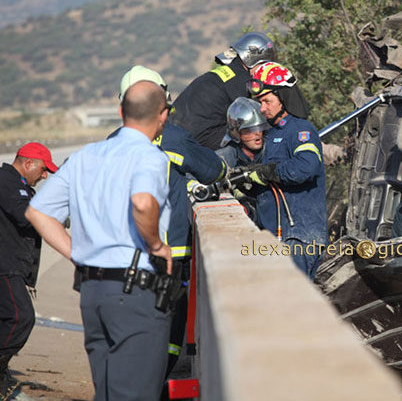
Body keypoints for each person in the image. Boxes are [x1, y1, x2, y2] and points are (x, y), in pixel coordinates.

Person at [25, 79, 173, 400]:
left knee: (105, 391)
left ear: (121, 111)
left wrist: (76, 253)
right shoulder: (150, 157)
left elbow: (38, 212)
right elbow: (143, 202)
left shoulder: (85, 156)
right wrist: (158, 246)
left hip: (92, 291)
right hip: (136, 289)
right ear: (163, 115)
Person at [117, 66, 228, 381]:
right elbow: (213, 170)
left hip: (125, 254)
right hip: (170, 251)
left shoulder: (113, 142)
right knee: (168, 328)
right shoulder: (174, 138)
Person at [243, 62, 326, 279]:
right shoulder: (272, 134)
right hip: (277, 238)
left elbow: (306, 166)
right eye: (260, 102)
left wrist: (268, 172)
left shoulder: (300, 130)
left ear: (284, 98)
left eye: (267, 101)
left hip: (297, 238)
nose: (262, 108)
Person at [0, 142, 57, 395]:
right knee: (21, 317)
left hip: (13, 266)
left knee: (10, 319)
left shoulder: (20, 186)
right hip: (4, 266)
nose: (44, 176)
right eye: (44, 170)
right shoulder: (6, 181)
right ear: (29, 163)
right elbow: (26, 217)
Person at [170, 32, 279, 150]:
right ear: (251, 60)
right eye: (264, 64)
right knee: (251, 135)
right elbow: (250, 119)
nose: (265, 70)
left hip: (173, 135)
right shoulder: (242, 82)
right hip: (197, 140)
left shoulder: (223, 73)